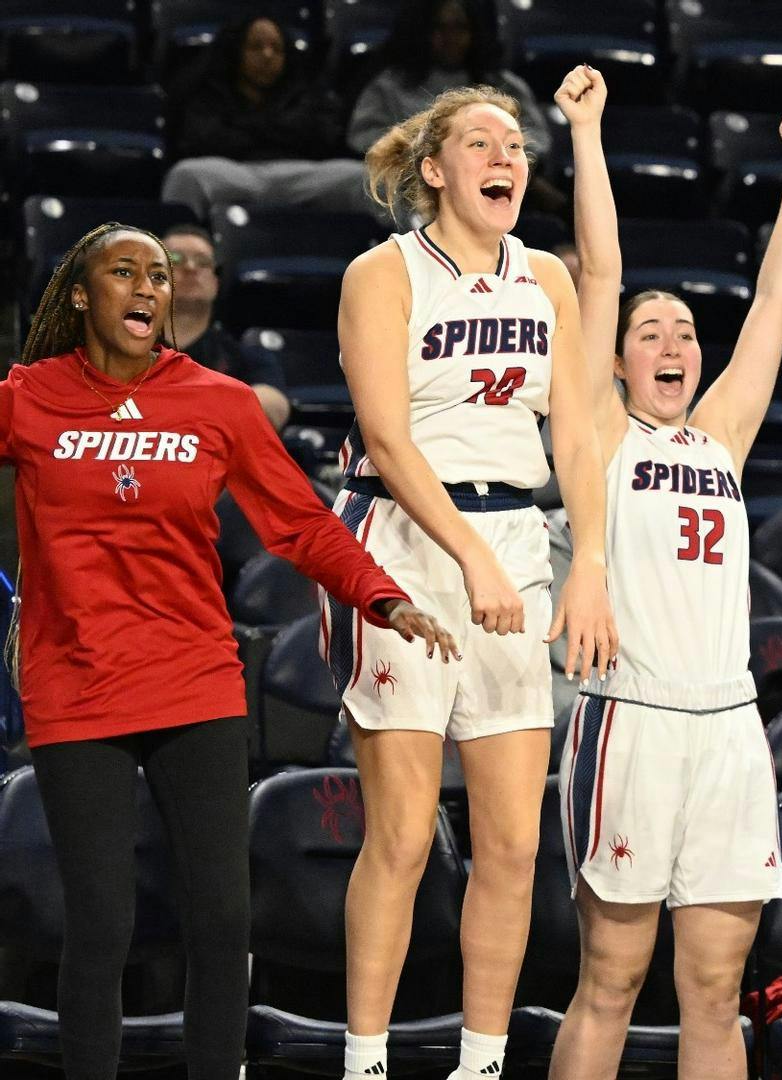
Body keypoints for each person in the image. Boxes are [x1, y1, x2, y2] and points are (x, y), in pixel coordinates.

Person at [3, 222, 455, 1080]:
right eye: (124, 272)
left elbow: (301, 520)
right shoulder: (28, 398)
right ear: (79, 295)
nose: (147, 288)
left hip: (194, 682)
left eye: (160, 277)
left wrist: (381, 592)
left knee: (223, 919)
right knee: (101, 923)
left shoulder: (218, 401)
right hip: (77, 688)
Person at [335, 83, 618, 1080]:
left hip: (515, 540)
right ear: (437, 170)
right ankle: (364, 1061)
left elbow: (576, 435)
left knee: (510, 844)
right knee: (405, 836)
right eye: (484, 143)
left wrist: (588, 563)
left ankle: (482, 1063)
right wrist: (468, 556)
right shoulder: (384, 272)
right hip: (406, 546)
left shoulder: (546, 276)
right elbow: (384, 437)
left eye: (516, 145)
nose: (508, 157)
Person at [544, 66, 782, 1080]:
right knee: (611, 982)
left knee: (714, 993)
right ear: (615, 359)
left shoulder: (721, 438)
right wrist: (586, 131)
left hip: (729, 726)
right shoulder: (601, 431)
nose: (672, 342)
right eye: (649, 333)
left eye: (684, 332)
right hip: (633, 716)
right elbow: (601, 275)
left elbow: (777, 302)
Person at [347, 0, 556, 215]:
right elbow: (364, 138)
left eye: (460, 27)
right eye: (440, 27)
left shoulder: (505, 86)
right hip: (412, 188)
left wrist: (496, 163)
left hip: (494, 185)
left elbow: (535, 139)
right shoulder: (389, 85)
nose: (450, 37)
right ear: (423, 31)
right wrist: (426, 159)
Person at [160, 16, 369, 218]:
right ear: (235, 52)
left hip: (301, 174)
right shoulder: (207, 90)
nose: (267, 55)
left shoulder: (307, 90)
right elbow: (203, 139)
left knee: (365, 177)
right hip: (232, 171)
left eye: (277, 49)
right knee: (185, 174)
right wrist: (278, 129)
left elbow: (323, 137)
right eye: (256, 47)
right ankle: (184, 247)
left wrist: (244, 126)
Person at [161, 224, 292, 428]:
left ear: (215, 283)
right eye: (176, 259)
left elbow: (275, 408)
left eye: (203, 262)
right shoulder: (124, 350)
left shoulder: (246, 356)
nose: (190, 267)